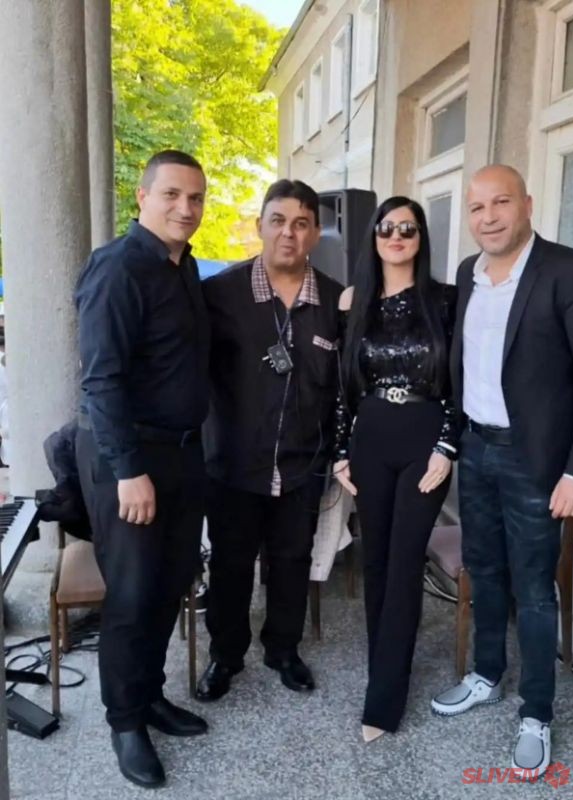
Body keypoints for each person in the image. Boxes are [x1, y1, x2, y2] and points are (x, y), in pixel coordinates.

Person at [431, 165, 573, 775]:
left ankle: (536, 712)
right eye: (477, 207)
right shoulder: (469, 273)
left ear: (527, 204)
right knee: (485, 569)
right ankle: (487, 674)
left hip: (535, 461)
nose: (488, 217)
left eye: (501, 202)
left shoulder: (571, 272)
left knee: (534, 589)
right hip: (477, 448)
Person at [75, 150, 211, 790]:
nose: (186, 208)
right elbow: (100, 380)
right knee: (131, 596)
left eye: (196, 197)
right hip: (129, 458)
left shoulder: (183, 267)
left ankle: (150, 695)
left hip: (182, 453)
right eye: (172, 195)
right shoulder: (117, 267)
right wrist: (129, 470)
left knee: (170, 582)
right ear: (142, 196)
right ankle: (125, 722)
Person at [196, 179, 342, 702]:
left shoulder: (336, 302)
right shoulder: (220, 295)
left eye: (301, 224)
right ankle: (225, 654)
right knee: (230, 563)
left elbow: (345, 387)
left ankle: (283, 649)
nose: (288, 233)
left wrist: (339, 452)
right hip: (233, 462)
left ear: (316, 233)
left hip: (303, 465)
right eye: (278, 221)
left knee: (292, 560)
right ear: (259, 225)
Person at [333, 196, 457, 742]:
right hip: (372, 438)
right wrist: (340, 451)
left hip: (424, 440)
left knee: (405, 563)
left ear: (421, 236)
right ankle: (383, 661)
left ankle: (383, 703)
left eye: (408, 228)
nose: (397, 236)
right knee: (376, 561)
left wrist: (447, 447)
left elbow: (459, 382)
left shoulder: (446, 300)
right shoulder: (352, 301)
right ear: (375, 236)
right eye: (387, 227)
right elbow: (343, 384)